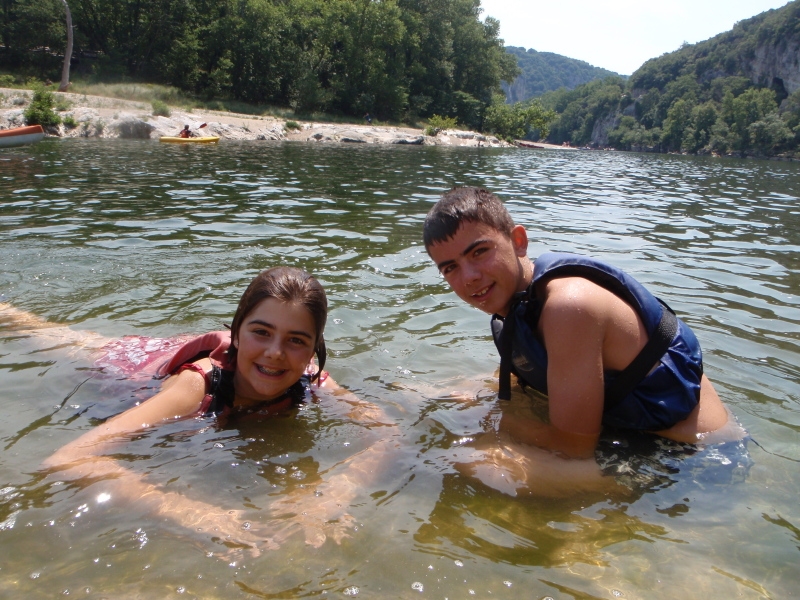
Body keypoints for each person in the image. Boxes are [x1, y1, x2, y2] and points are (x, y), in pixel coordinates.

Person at [2, 267, 395, 554]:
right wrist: (190, 512)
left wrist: (331, 494)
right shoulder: (196, 386)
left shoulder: (311, 378)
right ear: (237, 333)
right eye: (262, 331)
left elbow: (387, 430)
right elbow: (68, 459)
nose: (276, 352)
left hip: (192, 358)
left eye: (295, 340)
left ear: (313, 351)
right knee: (56, 340)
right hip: (126, 368)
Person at [423, 187, 744, 462]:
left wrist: (459, 435)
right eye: (450, 268)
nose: (470, 277)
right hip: (639, 442)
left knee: (447, 461)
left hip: (697, 463)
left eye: (479, 252)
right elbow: (518, 387)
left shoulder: (569, 307)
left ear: (518, 241)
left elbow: (571, 452)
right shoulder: (518, 306)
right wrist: (434, 400)